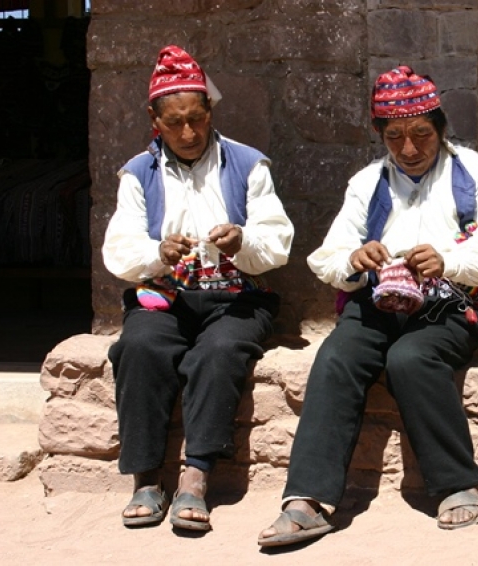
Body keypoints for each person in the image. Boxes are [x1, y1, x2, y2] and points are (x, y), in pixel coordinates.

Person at [257, 66, 478, 547]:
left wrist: (449, 260)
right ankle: (307, 500)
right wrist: (357, 261)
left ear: (441, 129)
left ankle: (459, 484)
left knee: (412, 358)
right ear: (380, 134)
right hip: (379, 302)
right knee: (337, 357)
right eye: (395, 136)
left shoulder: (470, 174)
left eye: (422, 134)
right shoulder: (366, 183)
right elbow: (330, 254)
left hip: (446, 304)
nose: (409, 148)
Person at [103, 45, 294, 531]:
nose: (188, 132)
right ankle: (146, 478)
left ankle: (196, 476)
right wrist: (156, 254)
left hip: (236, 297)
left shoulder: (250, 166)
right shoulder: (137, 174)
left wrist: (242, 241)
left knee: (221, 349)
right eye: (174, 122)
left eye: (196, 118)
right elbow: (120, 251)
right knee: (140, 346)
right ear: (155, 119)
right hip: (165, 297)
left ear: (210, 111)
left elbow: (277, 243)